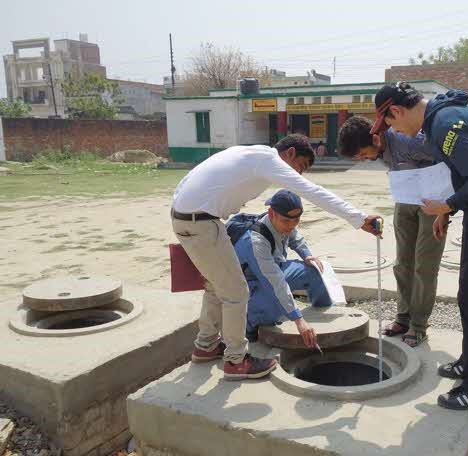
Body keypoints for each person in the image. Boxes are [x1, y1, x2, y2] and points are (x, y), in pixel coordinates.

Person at [171, 134, 382, 381]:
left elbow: (192, 178)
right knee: (237, 293)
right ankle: (236, 361)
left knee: (215, 287)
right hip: (203, 223)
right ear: (290, 153)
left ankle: (205, 346)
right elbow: (312, 191)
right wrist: (358, 218)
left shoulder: (250, 153)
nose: (298, 175)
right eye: (300, 167)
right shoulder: (267, 161)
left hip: (187, 216)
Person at [370, 82, 468, 410]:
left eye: (391, 124)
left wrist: (447, 203)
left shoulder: (443, 125)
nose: (395, 131)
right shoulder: (446, 114)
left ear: (396, 111)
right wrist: (449, 211)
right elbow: (466, 173)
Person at [337, 116, 446, 347]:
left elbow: (447, 163)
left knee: (424, 266)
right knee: (402, 264)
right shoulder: (381, 148)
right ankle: (403, 319)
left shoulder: (409, 141)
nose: (364, 160)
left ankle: (418, 326)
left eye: (364, 154)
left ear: (376, 139)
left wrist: (445, 210)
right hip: (405, 200)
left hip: (433, 203)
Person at [233, 189, 332, 346]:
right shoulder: (256, 242)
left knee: (315, 270)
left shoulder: (285, 221)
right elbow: (275, 282)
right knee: (276, 307)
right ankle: (249, 327)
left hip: (275, 268)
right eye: (287, 222)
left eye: (296, 221)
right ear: (271, 213)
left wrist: (307, 255)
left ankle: (321, 311)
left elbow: (296, 239)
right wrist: (298, 320)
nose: (291, 226)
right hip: (252, 283)